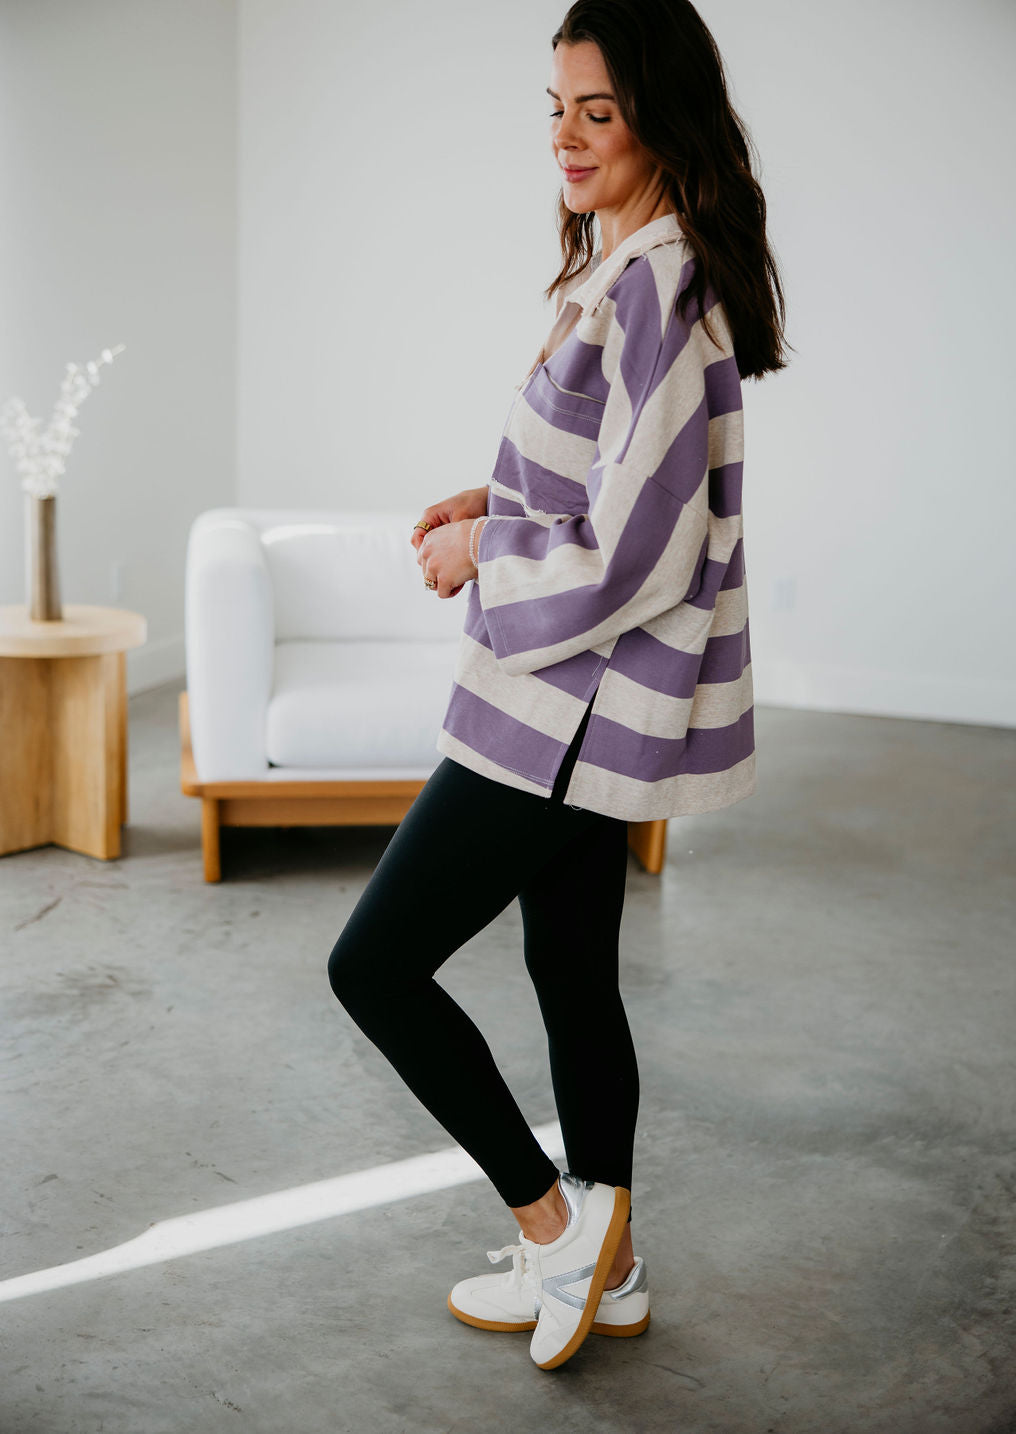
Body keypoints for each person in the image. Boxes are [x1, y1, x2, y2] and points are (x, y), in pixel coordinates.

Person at [327, 0, 788, 1372]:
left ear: (661, 118)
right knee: (571, 968)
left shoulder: (657, 287)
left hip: (562, 712)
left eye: (600, 111)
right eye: (557, 109)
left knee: (374, 965)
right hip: (582, 702)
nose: (569, 139)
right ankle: (614, 1268)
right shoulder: (636, 269)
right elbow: (613, 485)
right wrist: (496, 500)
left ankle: (554, 1228)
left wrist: (483, 552)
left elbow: (641, 548)